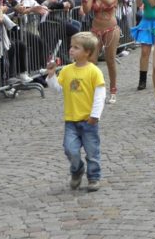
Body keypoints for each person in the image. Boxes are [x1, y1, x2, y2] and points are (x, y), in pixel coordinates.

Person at [46, 32, 105, 192]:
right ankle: (77, 169)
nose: (71, 50)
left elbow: (100, 95)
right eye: (71, 46)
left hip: (88, 120)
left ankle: (93, 177)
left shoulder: (94, 71)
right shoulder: (66, 70)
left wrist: (95, 115)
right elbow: (58, 89)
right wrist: (51, 75)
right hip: (71, 120)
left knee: (92, 152)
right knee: (70, 149)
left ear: (87, 52)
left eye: (76, 47)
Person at [81, 0, 128, 105]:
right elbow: (86, 11)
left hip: (110, 29)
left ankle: (113, 90)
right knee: (91, 61)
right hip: (95, 29)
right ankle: (95, 90)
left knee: (109, 60)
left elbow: (110, 2)